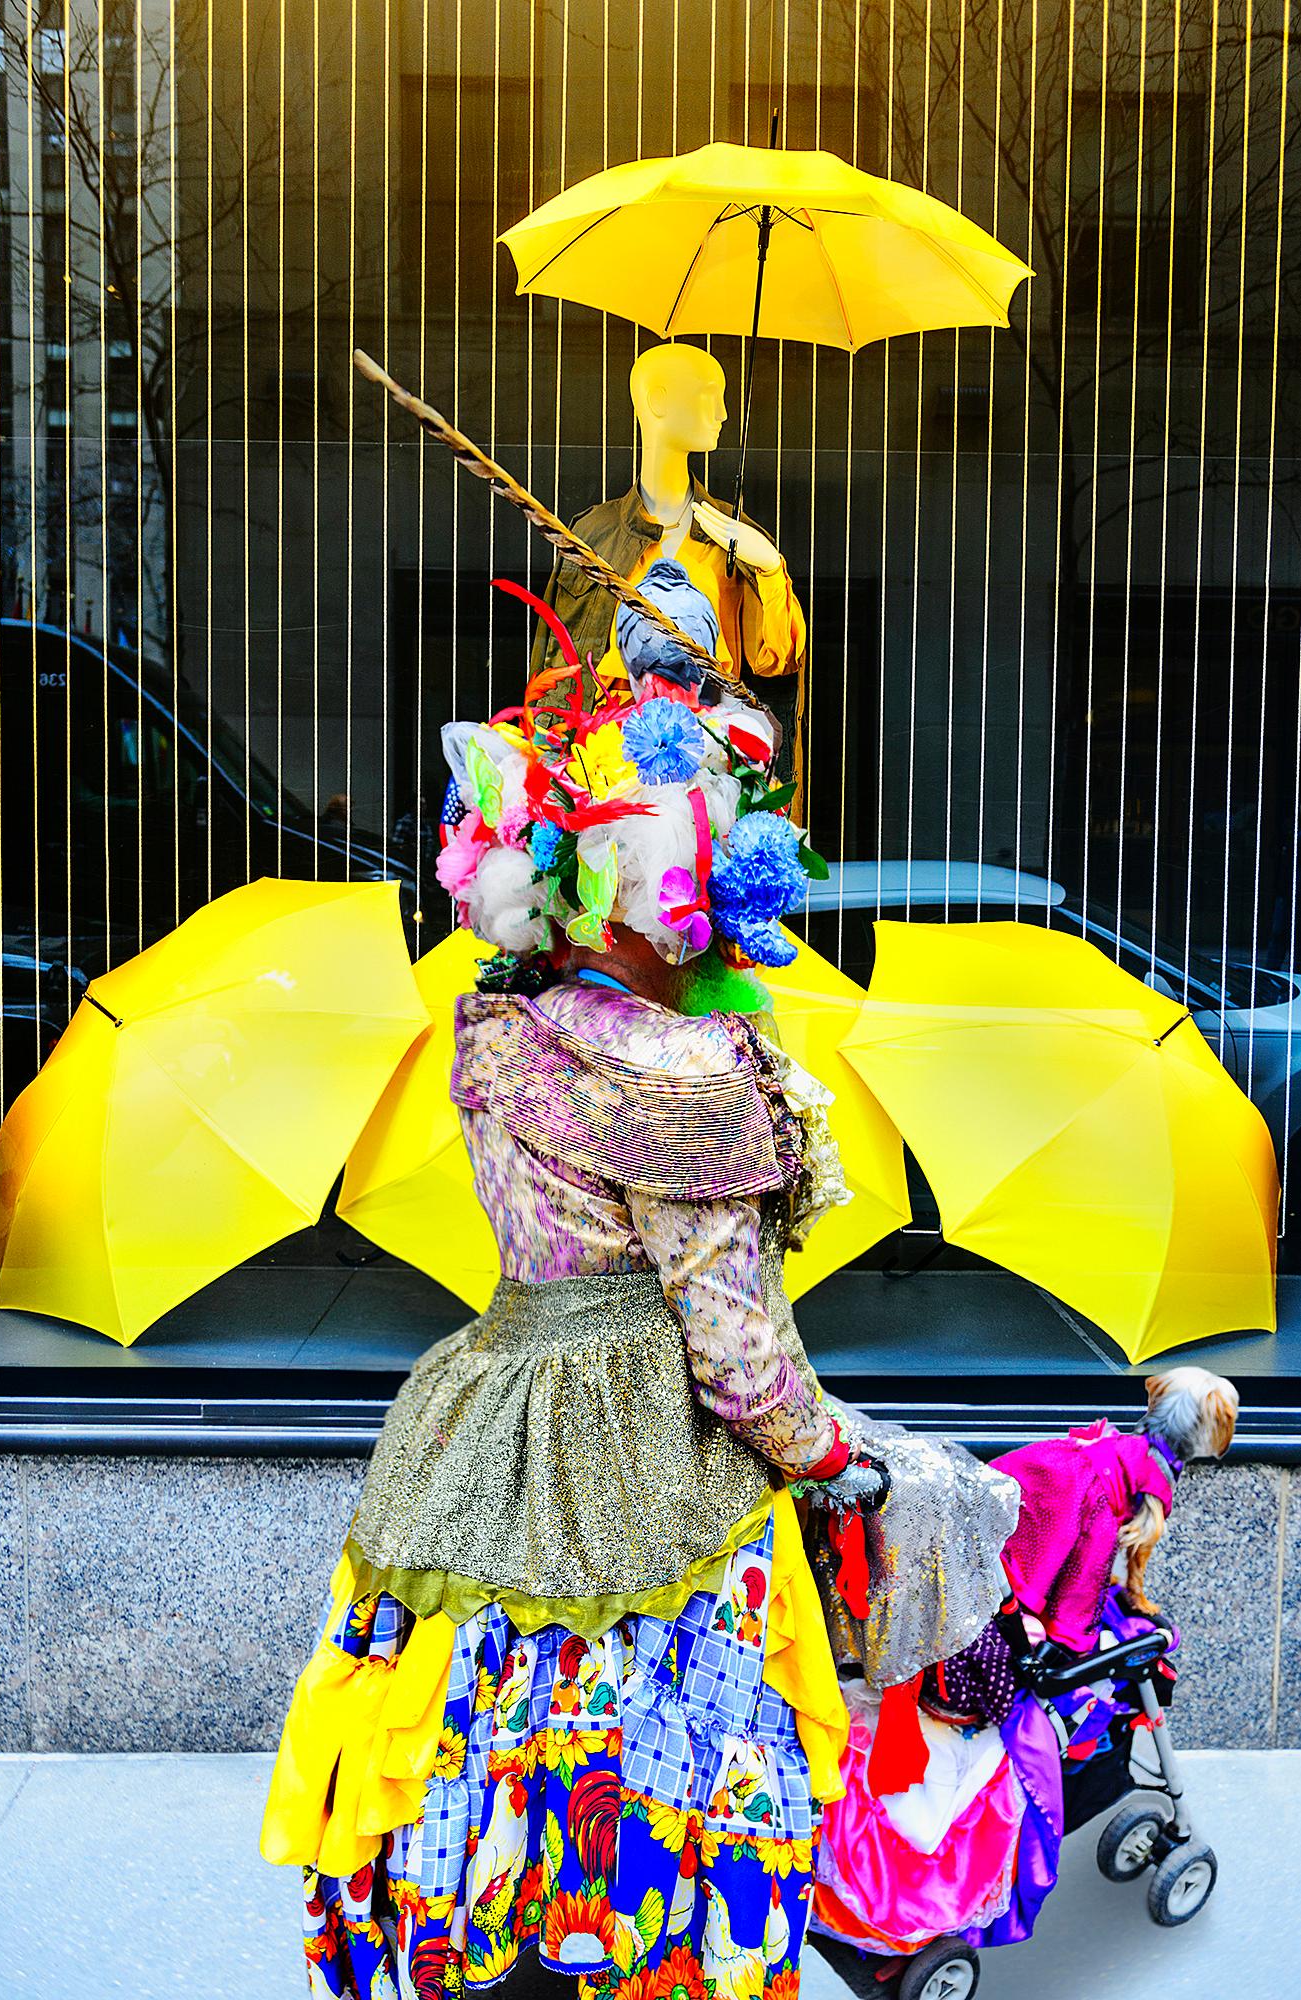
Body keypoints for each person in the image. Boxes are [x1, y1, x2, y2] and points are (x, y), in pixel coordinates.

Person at [260, 581, 877, 2000]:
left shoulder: (498, 1031)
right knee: (660, 1751)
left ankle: (482, 1934)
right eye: (704, 888)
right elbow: (735, 1354)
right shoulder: (682, 1073)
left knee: (479, 1732)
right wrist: (828, 1455)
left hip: (486, 1403)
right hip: (648, 1447)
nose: (718, 928)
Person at [528, 343, 808, 811]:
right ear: (658, 401)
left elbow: (776, 659)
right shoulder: (591, 533)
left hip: (710, 764)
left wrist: (769, 566)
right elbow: (552, 664)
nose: (722, 413)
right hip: (607, 765)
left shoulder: (735, 538)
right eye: (709, 395)